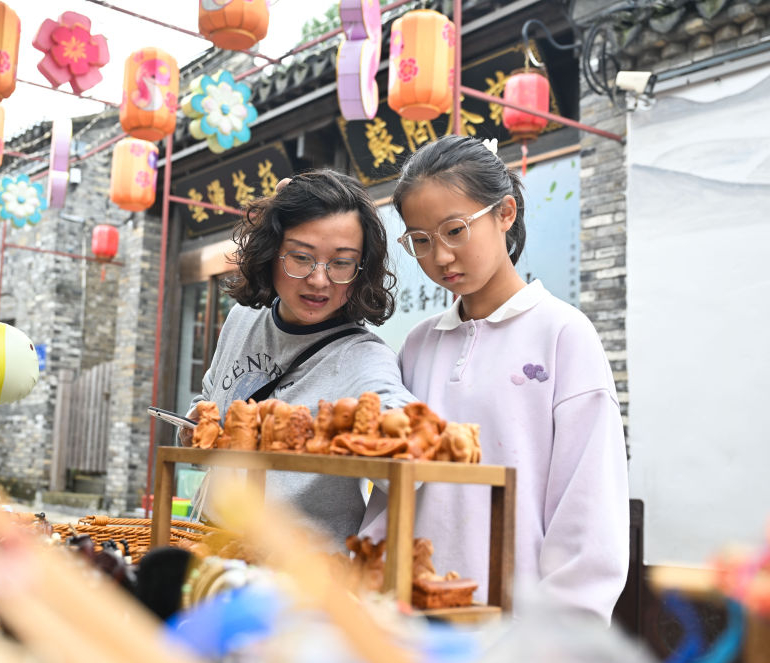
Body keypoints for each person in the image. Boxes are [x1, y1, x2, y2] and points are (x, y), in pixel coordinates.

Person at [359, 135, 629, 622]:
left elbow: (588, 506)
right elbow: (393, 489)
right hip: (410, 620)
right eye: (420, 240)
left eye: (455, 230)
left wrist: (560, 635)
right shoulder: (419, 345)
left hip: (517, 630)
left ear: (505, 213)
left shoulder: (563, 334)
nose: (441, 257)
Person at [180, 169, 416, 544]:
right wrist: (192, 426)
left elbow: (402, 434)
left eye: (341, 262)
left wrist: (398, 434)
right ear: (271, 253)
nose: (319, 279)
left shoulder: (363, 357)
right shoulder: (243, 319)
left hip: (301, 568)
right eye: (301, 257)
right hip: (210, 544)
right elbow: (210, 398)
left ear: (361, 269)